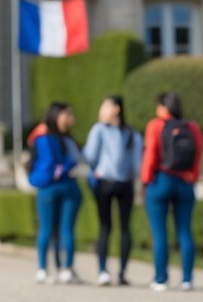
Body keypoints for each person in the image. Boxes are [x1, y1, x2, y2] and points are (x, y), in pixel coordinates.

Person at [140, 91, 203, 292]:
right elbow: (199, 152)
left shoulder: (156, 125)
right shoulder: (191, 127)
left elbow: (150, 154)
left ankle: (161, 279)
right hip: (185, 182)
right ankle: (187, 279)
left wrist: (145, 181)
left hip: (161, 180)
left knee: (160, 233)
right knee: (185, 231)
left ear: (162, 107)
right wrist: (192, 176)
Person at [82, 95, 143, 287]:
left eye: (106, 106)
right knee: (124, 228)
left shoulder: (99, 129)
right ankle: (122, 272)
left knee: (105, 227)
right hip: (125, 184)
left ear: (116, 109)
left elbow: (89, 156)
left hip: (105, 183)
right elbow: (136, 165)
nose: (102, 110)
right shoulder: (133, 134)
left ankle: (103, 272)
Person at [28, 102, 83, 285]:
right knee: (66, 230)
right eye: (67, 114)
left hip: (47, 189)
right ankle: (65, 269)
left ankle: (43, 269)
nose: (70, 118)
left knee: (47, 229)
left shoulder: (41, 139)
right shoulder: (69, 141)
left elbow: (34, 164)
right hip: (68, 186)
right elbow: (75, 162)